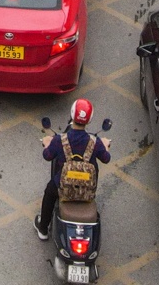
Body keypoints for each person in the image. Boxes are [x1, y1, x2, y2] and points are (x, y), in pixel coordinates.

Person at [35, 99, 111, 240]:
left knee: (49, 192)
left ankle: (43, 229)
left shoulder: (59, 140)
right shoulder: (95, 142)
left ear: (72, 115)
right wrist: (105, 145)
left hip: (61, 187)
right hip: (87, 190)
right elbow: (106, 159)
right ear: (89, 120)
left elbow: (47, 156)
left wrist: (47, 143)